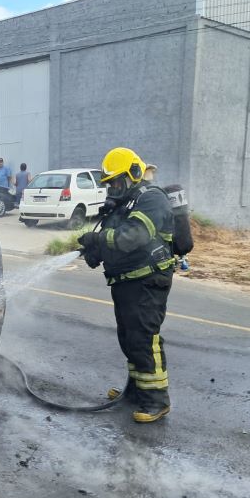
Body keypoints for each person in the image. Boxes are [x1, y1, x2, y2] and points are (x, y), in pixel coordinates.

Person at [77, 147, 175, 423]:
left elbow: (134, 237)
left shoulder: (152, 199)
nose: (113, 189)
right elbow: (115, 238)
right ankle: (136, 391)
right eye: (110, 184)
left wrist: (99, 240)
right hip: (126, 281)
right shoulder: (126, 202)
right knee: (129, 338)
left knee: (144, 339)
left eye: (117, 182)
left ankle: (157, 401)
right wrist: (96, 252)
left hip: (148, 281)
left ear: (133, 174)